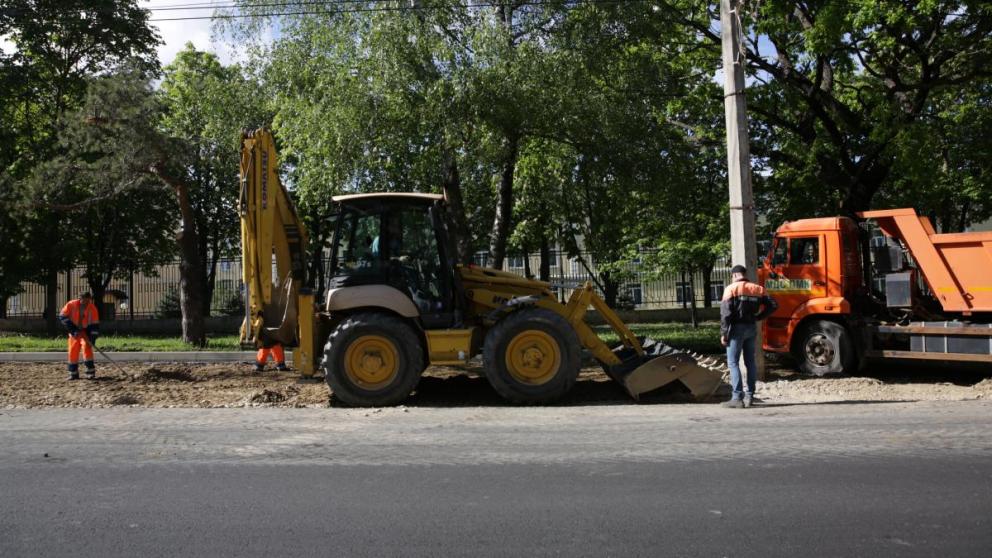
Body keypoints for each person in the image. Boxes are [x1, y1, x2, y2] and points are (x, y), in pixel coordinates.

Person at [720, 265, 777, 408]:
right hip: (751, 327)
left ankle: (737, 397)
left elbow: (726, 314)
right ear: (744, 274)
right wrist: (759, 317)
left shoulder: (731, 289)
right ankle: (750, 396)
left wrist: (724, 333)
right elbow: (773, 305)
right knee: (750, 362)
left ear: (734, 275)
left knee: (733, 362)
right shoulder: (758, 289)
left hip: (735, 329)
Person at [58, 292, 100, 380]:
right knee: (73, 350)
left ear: (89, 299)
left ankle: (90, 372)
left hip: (86, 331)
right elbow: (63, 317)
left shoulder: (92, 308)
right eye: (84, 300)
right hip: (74, 330)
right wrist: (74, 330)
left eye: (88, 301)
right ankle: (73, 373)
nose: (85, 303)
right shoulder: (71, 304)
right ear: (80, 299)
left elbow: (95, 325)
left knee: (87, 348)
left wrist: (92, 339)